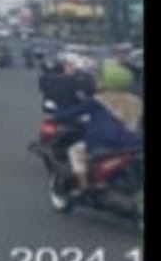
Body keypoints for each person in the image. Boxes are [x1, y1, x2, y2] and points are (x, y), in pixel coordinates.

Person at [54, 61, 142, 196]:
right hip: (135, 143)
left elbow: (72, 113)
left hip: (105, 143)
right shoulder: (137, 100)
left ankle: (83, 186)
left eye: (101, 78)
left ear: (108, 82)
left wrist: (55, 116)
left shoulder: (99, 100)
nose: (97, 80)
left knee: (75, 151)